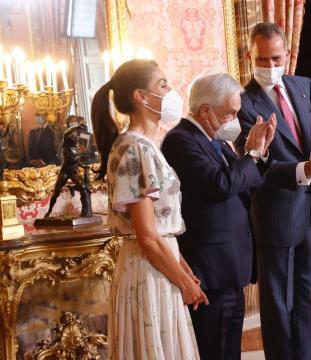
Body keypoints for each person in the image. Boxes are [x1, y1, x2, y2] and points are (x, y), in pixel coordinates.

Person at [236, 22, 311, 360]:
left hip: (309, 211)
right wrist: (305, 171)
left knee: (306, 298)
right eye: (263, 60)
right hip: (274, 214)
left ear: (287, 54)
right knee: (278, 304)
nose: (270, 67)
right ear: (249, 56)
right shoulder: (242, 102)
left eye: (276, 58)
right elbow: (258, 167)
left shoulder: (304, 86)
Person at [91, 59, 207, 359]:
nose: (171, 90)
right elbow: (146, 235)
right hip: (148, 270)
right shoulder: (135, 148)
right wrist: (183, 282)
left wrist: (183, 269)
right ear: (141, 97)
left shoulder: (145, 145)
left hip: (158, 265)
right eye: (162, 85)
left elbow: (159, 226)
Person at [161, 72, 275, 360]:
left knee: (229, 348)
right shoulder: (180, 140)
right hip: (210, 266)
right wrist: (249, 155)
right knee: (214, 348)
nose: (234, 119)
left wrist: (259, 154)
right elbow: (219, 184)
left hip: (230, 264)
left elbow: (246, 183)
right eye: (230, 113)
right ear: (205, 110)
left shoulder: (218, 142)